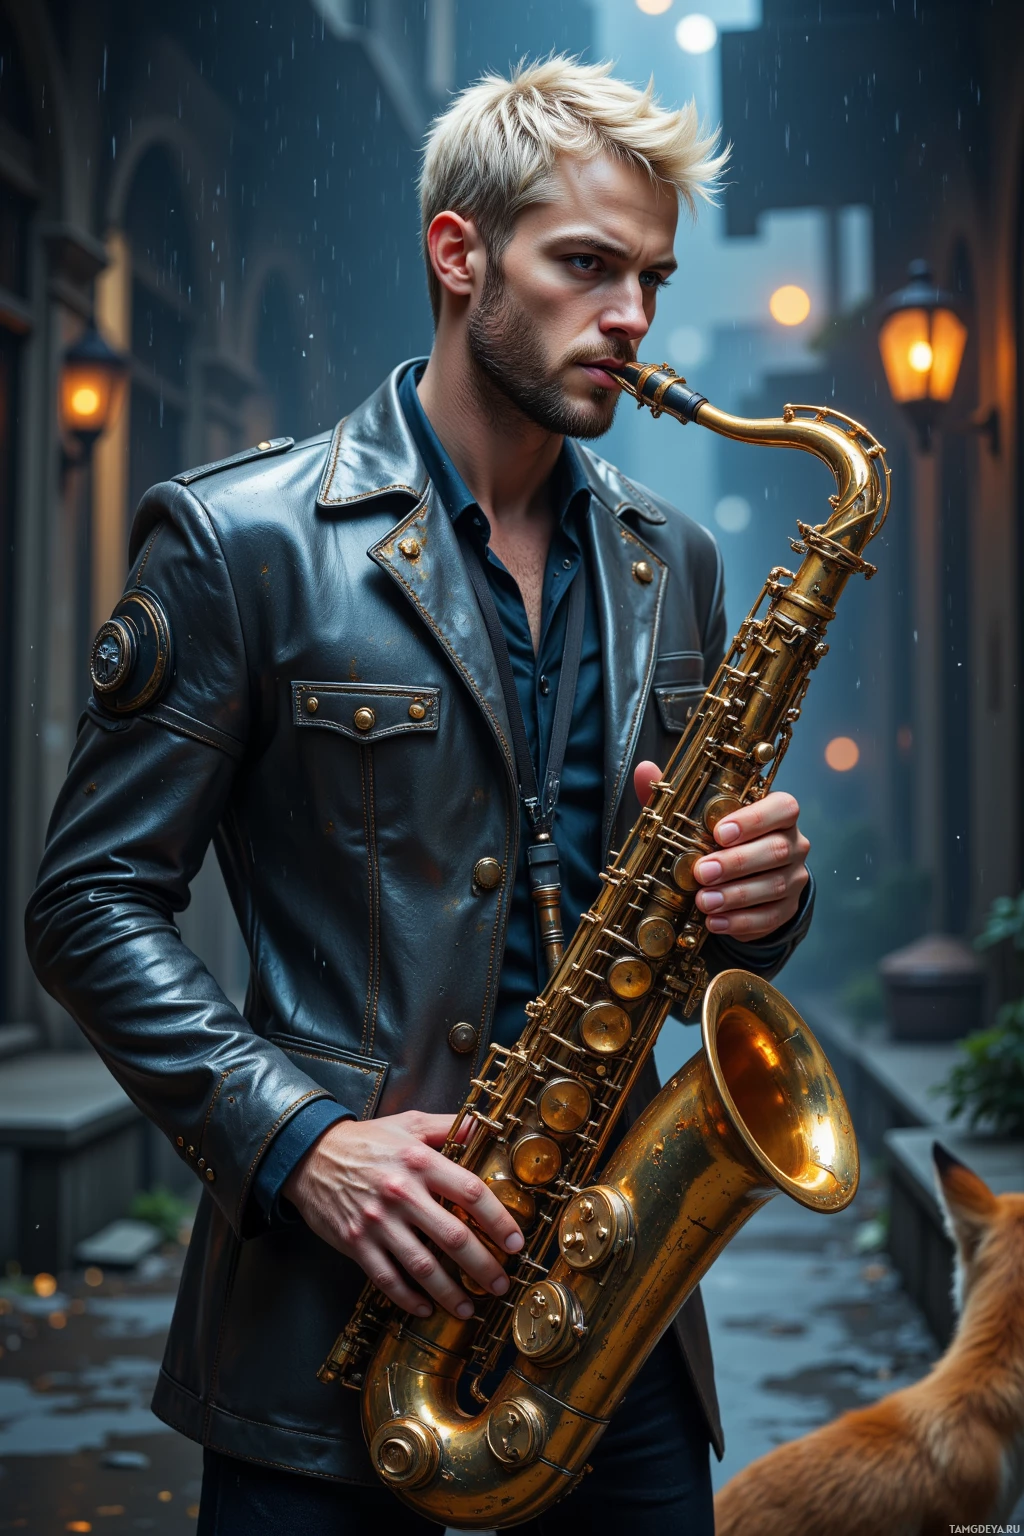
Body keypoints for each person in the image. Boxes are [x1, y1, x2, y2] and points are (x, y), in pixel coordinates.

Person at [26, 57, 812, 1535]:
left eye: (650, 275)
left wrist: (761, 899)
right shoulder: (238, 541)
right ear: (458, 253)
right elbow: (86, 903)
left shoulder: (678, 564)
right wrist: (297, 1141)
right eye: (585, 264)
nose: (633, 317)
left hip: (615, 1335)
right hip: (327, 1332)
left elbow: (690, 933)